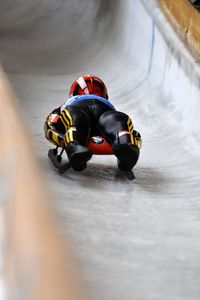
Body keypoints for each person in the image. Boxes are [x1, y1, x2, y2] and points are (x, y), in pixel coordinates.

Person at [44, 75, 142, 172]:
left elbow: (50, 124)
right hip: (102, 111)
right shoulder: (104, 102)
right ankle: (125, 142)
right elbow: (135, 133)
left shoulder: (67, 105)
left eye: (95, 91)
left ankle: (75, 146)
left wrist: (59, 137)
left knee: (78, 119)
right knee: (117, 120)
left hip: (80, 109)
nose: (91, 93)